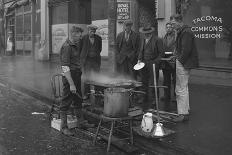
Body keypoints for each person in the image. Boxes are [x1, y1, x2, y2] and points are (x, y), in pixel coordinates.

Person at [60, 26, 94, 136]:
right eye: (79, 34)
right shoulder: (67, 47)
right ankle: (64, 127)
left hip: (76, 75)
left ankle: (81, 122)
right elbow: (65, 67)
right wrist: (71, 84)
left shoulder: (75, 45)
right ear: (74, 33)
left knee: (78, 99)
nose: (81, 36)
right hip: (70, 77)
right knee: (66, 102)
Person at [170, 14, 199, 122]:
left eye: (173, 24)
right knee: (184, 87)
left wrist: (178, 59)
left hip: (183, 63)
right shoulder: (183, 31)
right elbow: (182, 49)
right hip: (184, 62)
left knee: (180, 88)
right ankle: (185, 109)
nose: (172, 26)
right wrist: (176, 56)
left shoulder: (185, 32)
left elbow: (186, 50)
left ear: (179, 21)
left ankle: (182, 113)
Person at [137, 24, 164, 111]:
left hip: (153, 63)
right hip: (143, 63)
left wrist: (156, 62)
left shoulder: (157, 40)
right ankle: (143, 97)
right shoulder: (142, 39)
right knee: (143, 81)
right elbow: (141, 50)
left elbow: (161, 53)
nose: (146, 34)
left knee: (153, 82)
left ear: (150, 32)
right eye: (144, 33)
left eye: (147, 33)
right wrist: (139, 59)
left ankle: (154, 100)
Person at [81, 24, 102, 99]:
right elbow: (80, 49)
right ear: (88, 31)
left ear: (95, 31)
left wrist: (94, 54)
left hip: (96, 61)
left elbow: (100, 49)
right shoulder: (83, 38)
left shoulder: (99, 38)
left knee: (97, 77)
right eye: (91, 31)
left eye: (93, 31)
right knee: (87, 77)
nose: (92, 33)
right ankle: (86, 94)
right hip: (87, 61)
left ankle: (98, 93)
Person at [160, 22, 176, 111]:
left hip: (173, 60)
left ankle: (176, 96)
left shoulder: (176, 36)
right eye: (167, 27)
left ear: (172, 28)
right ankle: (166, 95)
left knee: (175, 80)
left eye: (170, 27)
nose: (168, 29)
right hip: (165, 61)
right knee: (166, 80)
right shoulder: (164, 37)